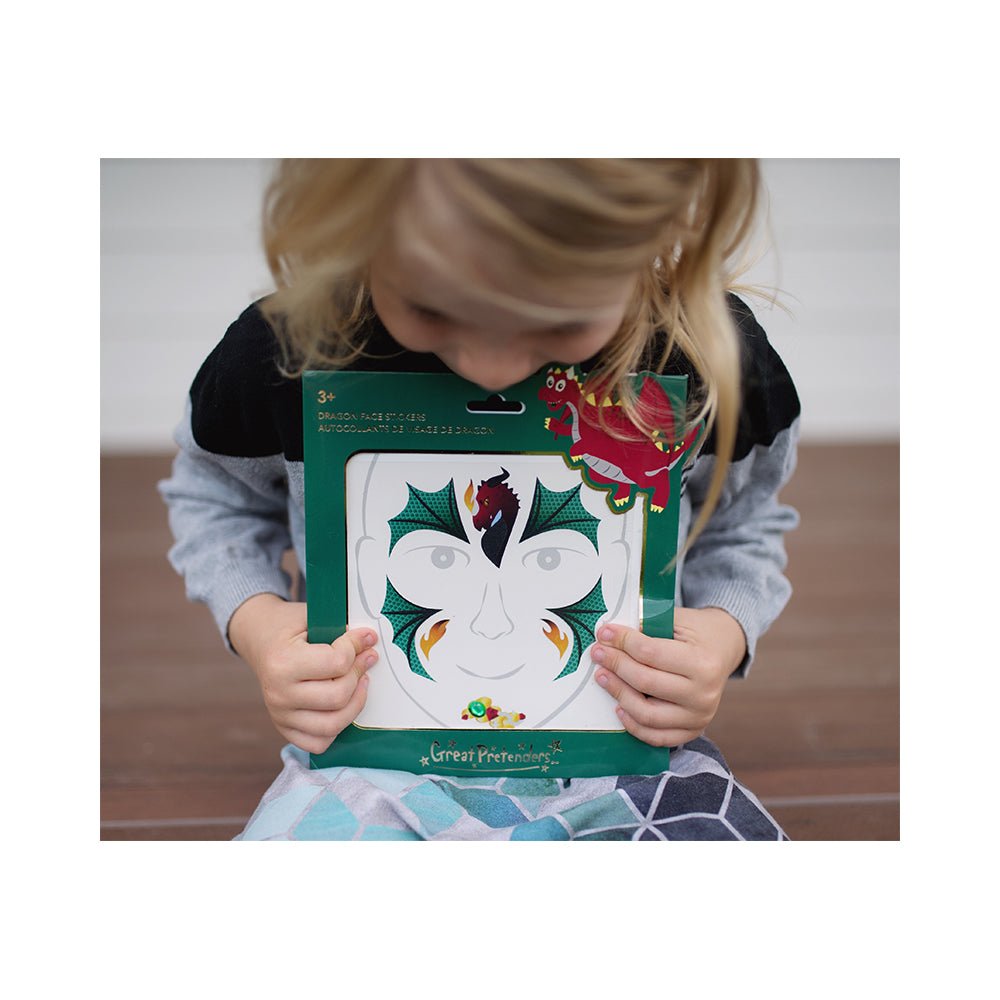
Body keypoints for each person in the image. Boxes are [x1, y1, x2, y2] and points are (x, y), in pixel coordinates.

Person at [159, 159, 801, 841]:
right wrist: (260, 624)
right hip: (363, 763)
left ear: (655, 234)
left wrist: (721, 634)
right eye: (432, 310)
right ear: (359, 228)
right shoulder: (284, 352)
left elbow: (743, 524)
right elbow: (215, 497)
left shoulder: (709, 362)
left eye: (560, 320)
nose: (492, 368)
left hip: (629, 758)